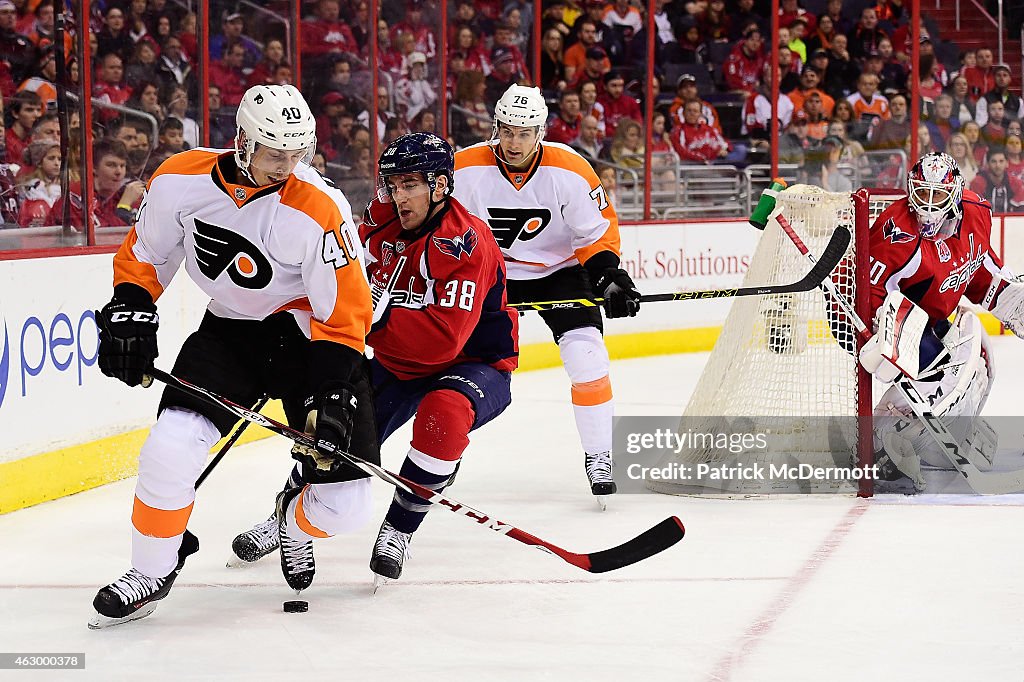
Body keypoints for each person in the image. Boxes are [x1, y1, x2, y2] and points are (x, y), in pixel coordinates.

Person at [87, 84, 378, 629]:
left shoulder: (319, 208)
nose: (287, 167)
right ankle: (150, 571)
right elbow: (146, 256)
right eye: (275, 154)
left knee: (347, 508)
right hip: (230, 333)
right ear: (242, 141)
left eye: (299, 154)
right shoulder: (180, 179)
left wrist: (334, 393)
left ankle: (291, 519)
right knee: (168, 451)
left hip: (311, 344)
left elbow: (344, 315)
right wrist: (130, 307)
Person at [228, 133, 519, 588]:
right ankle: (289, 513)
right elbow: (338, 272)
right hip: (397, 364)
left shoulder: (466, 242)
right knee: (333, 425)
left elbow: (440, 343)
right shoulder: (382, 224)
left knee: (442, 415)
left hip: (474, 364)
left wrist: (366, 315)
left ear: (440, 186)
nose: (396, 196)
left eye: (408, 185)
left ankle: (398, 530)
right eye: (391, 185)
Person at [453, 85, 641, 505]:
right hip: (490, 274)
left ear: (541, 131)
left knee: (587, 355)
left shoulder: (570, 169)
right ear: (495, 127)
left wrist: (609, 275)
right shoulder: (463, 168)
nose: (514, 142)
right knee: (458, 364)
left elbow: (594, 234)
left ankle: (600, 456)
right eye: (507, 130)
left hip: (560, 273)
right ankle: (443, 455)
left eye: (525, 132)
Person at [858, 152, 1024, 490]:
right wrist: (878, 335)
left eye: (938, 194)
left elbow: (978, 270)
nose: (929, 205)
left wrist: (1011, 300)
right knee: (937, 367)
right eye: (922, 193)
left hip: (928, 320)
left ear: (956, 192)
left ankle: (944, 439)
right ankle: (882, 446)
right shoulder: (896, 233)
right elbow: (865, 294)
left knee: (975, 361)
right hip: (887, 321)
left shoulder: (977, 213)